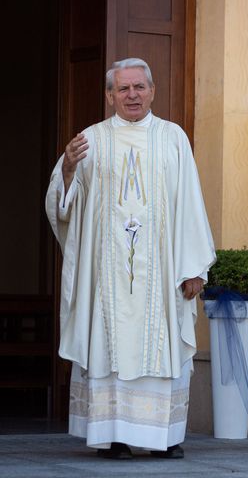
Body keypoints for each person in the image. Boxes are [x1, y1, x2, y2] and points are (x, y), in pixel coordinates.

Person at [45, 58, 216, 459]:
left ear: (153, 91)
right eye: (123, 89)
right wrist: (68, 168)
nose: (132, 95)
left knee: (163, 347)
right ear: (109, 96)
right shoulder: (91, 140)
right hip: (108, 277)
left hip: (163, 273)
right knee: (110, 351)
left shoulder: (173, 137)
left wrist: (194, 268)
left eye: (139, 87)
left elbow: (190, 201)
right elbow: (64, 207)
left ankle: (166, 438)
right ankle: (114, 437)